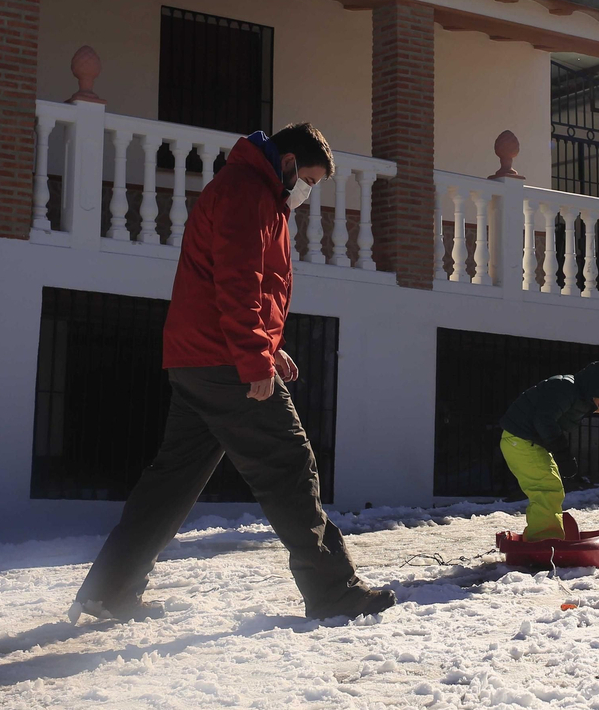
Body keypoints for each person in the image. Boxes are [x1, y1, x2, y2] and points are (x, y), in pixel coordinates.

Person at [71, 123, 396, 623]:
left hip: (197, 357)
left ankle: (108, 591)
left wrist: (269, 347)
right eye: (308, 179)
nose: (307, 192)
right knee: (289, 464)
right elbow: (238, 283)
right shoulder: (249, 193)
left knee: (171, 483)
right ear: (287, 162)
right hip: (223, 360)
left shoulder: (253, 190)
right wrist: (253, 359)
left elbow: (250, 288)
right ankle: (333, 592)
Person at [497, 360, 599, 541]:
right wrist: (562, 453)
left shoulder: (578, 395)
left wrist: (561, 453)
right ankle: (544, 540)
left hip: (526, 441)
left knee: (554, 487)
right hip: (519, 440)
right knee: (545, 488)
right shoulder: (566, 388)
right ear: (598, 387)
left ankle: (545, 534)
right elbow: (544, 420)